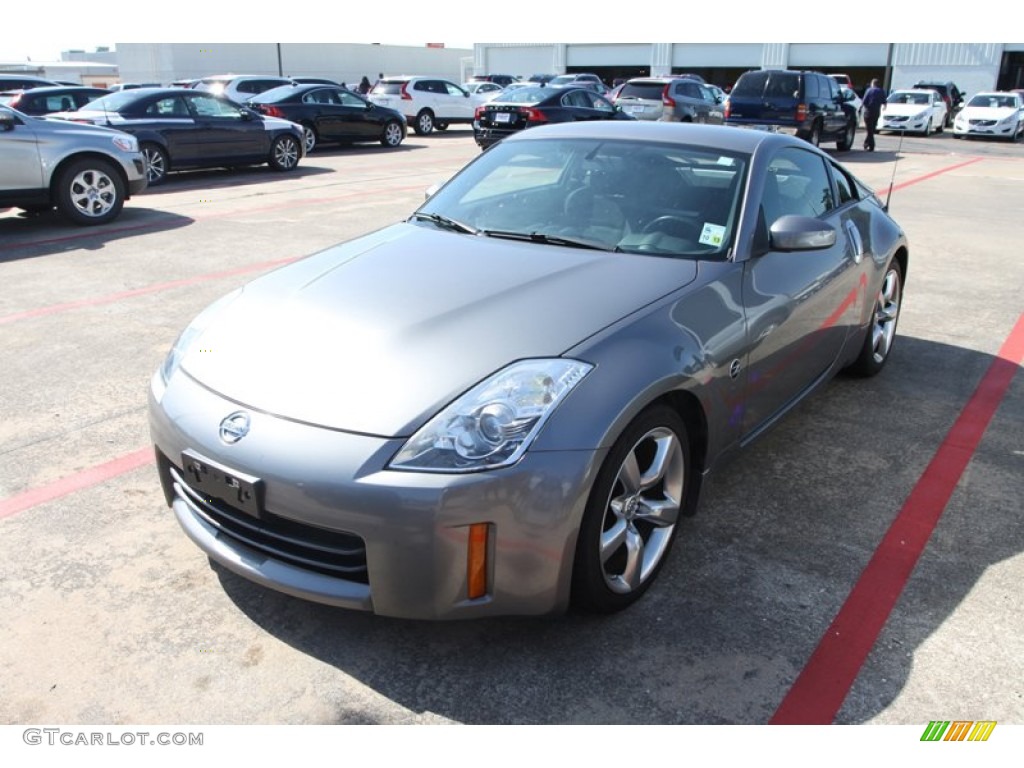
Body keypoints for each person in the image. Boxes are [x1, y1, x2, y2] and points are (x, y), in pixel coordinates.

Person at [862, 78, 886, 152]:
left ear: (872, 84)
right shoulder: (881, 91)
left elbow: (864, 101)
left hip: (868, 112)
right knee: (872, 129)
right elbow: (884, 102)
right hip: (876, 112)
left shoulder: (869, 90)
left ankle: (871, 146)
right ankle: (866, 144)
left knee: (869, 130)